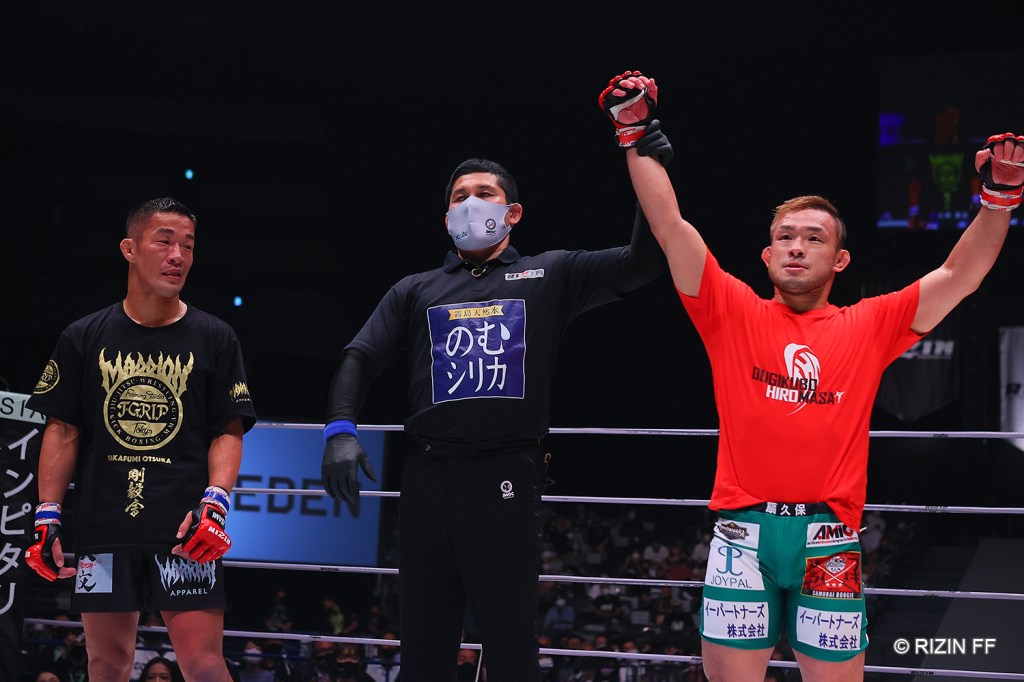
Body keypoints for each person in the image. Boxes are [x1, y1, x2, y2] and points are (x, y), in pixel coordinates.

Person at [602, 70, 1024, 680]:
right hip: (741, 536)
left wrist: (999, 199)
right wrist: (632, 131)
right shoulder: (732, 311)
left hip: (829, 539)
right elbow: (670, 226)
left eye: (814, 237)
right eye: (785, 237)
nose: (797, 246)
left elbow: (958, 277)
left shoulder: (870, 324)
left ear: (840, 259)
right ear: (768, 256)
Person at [318, 137, 671, 680]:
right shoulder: (416, 289)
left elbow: (642, 263)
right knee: (424, 646)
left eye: (484, 193)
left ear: (513, 212)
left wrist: (650, 167)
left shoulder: (548, 274)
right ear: (446, 217)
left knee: (510, 646)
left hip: (505, 475)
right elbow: (359, 357)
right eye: (460, 195)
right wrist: (340, 429)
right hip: (427, 478)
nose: (470, 203)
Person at [24, 197, 258, 681]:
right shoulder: (82, 336)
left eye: (188, 246)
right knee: (106, 664)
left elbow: (228, 429)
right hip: (103, 529)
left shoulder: (215, 337)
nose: (178, 256)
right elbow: (63, 428)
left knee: (204, 662)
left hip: (185, 532)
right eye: (165, 241)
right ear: (130, 248)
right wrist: (47, 515)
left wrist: (215, 504)